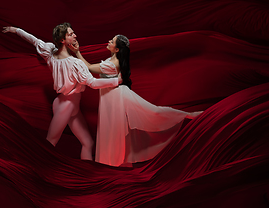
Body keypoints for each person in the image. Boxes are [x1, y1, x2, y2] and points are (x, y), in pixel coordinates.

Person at [69, 35, 202, 166]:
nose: (109, 41)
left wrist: (77, 52)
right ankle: (113, 162)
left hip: (116, 98)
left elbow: (89, 67)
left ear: (117, 49)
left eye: (112, 41)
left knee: (151, 114)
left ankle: (186, 116)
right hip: (112, 98)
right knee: (116, 128)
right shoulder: (112, 60)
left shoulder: (112, 64)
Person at [2, 23, 121, 160]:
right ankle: (32, 172)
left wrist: (15, 30)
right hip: (66, 106)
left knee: (88, 143)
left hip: (70, 106)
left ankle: (87, 174)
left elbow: (33, 40)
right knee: (50, 142)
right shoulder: (75, 63)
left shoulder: (50, 52)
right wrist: (116, 81)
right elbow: (92, 83)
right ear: (62, 41)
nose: (75, 35)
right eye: (70, 34)